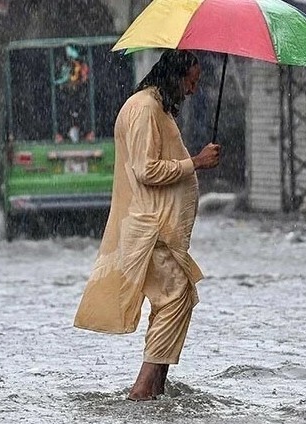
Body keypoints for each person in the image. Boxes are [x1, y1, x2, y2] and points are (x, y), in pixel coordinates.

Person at [73, 50, 221, 401]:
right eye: (191, 81)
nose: (192, 90)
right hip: (150, 227)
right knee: (176, 296)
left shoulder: (157, 108)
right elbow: (146, 169)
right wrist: (195, 162)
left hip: (160, 227)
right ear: (175, 75)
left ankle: (155, 388)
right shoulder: (144, 109)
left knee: (174, 298)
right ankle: (143, 389)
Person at [54, 45, 94, 143]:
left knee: (79, 110)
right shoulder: (67, 67)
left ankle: (86, 133)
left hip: (76, 94)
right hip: (69, 94)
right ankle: (62, 134)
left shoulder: (79, 67)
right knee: (68, 110)